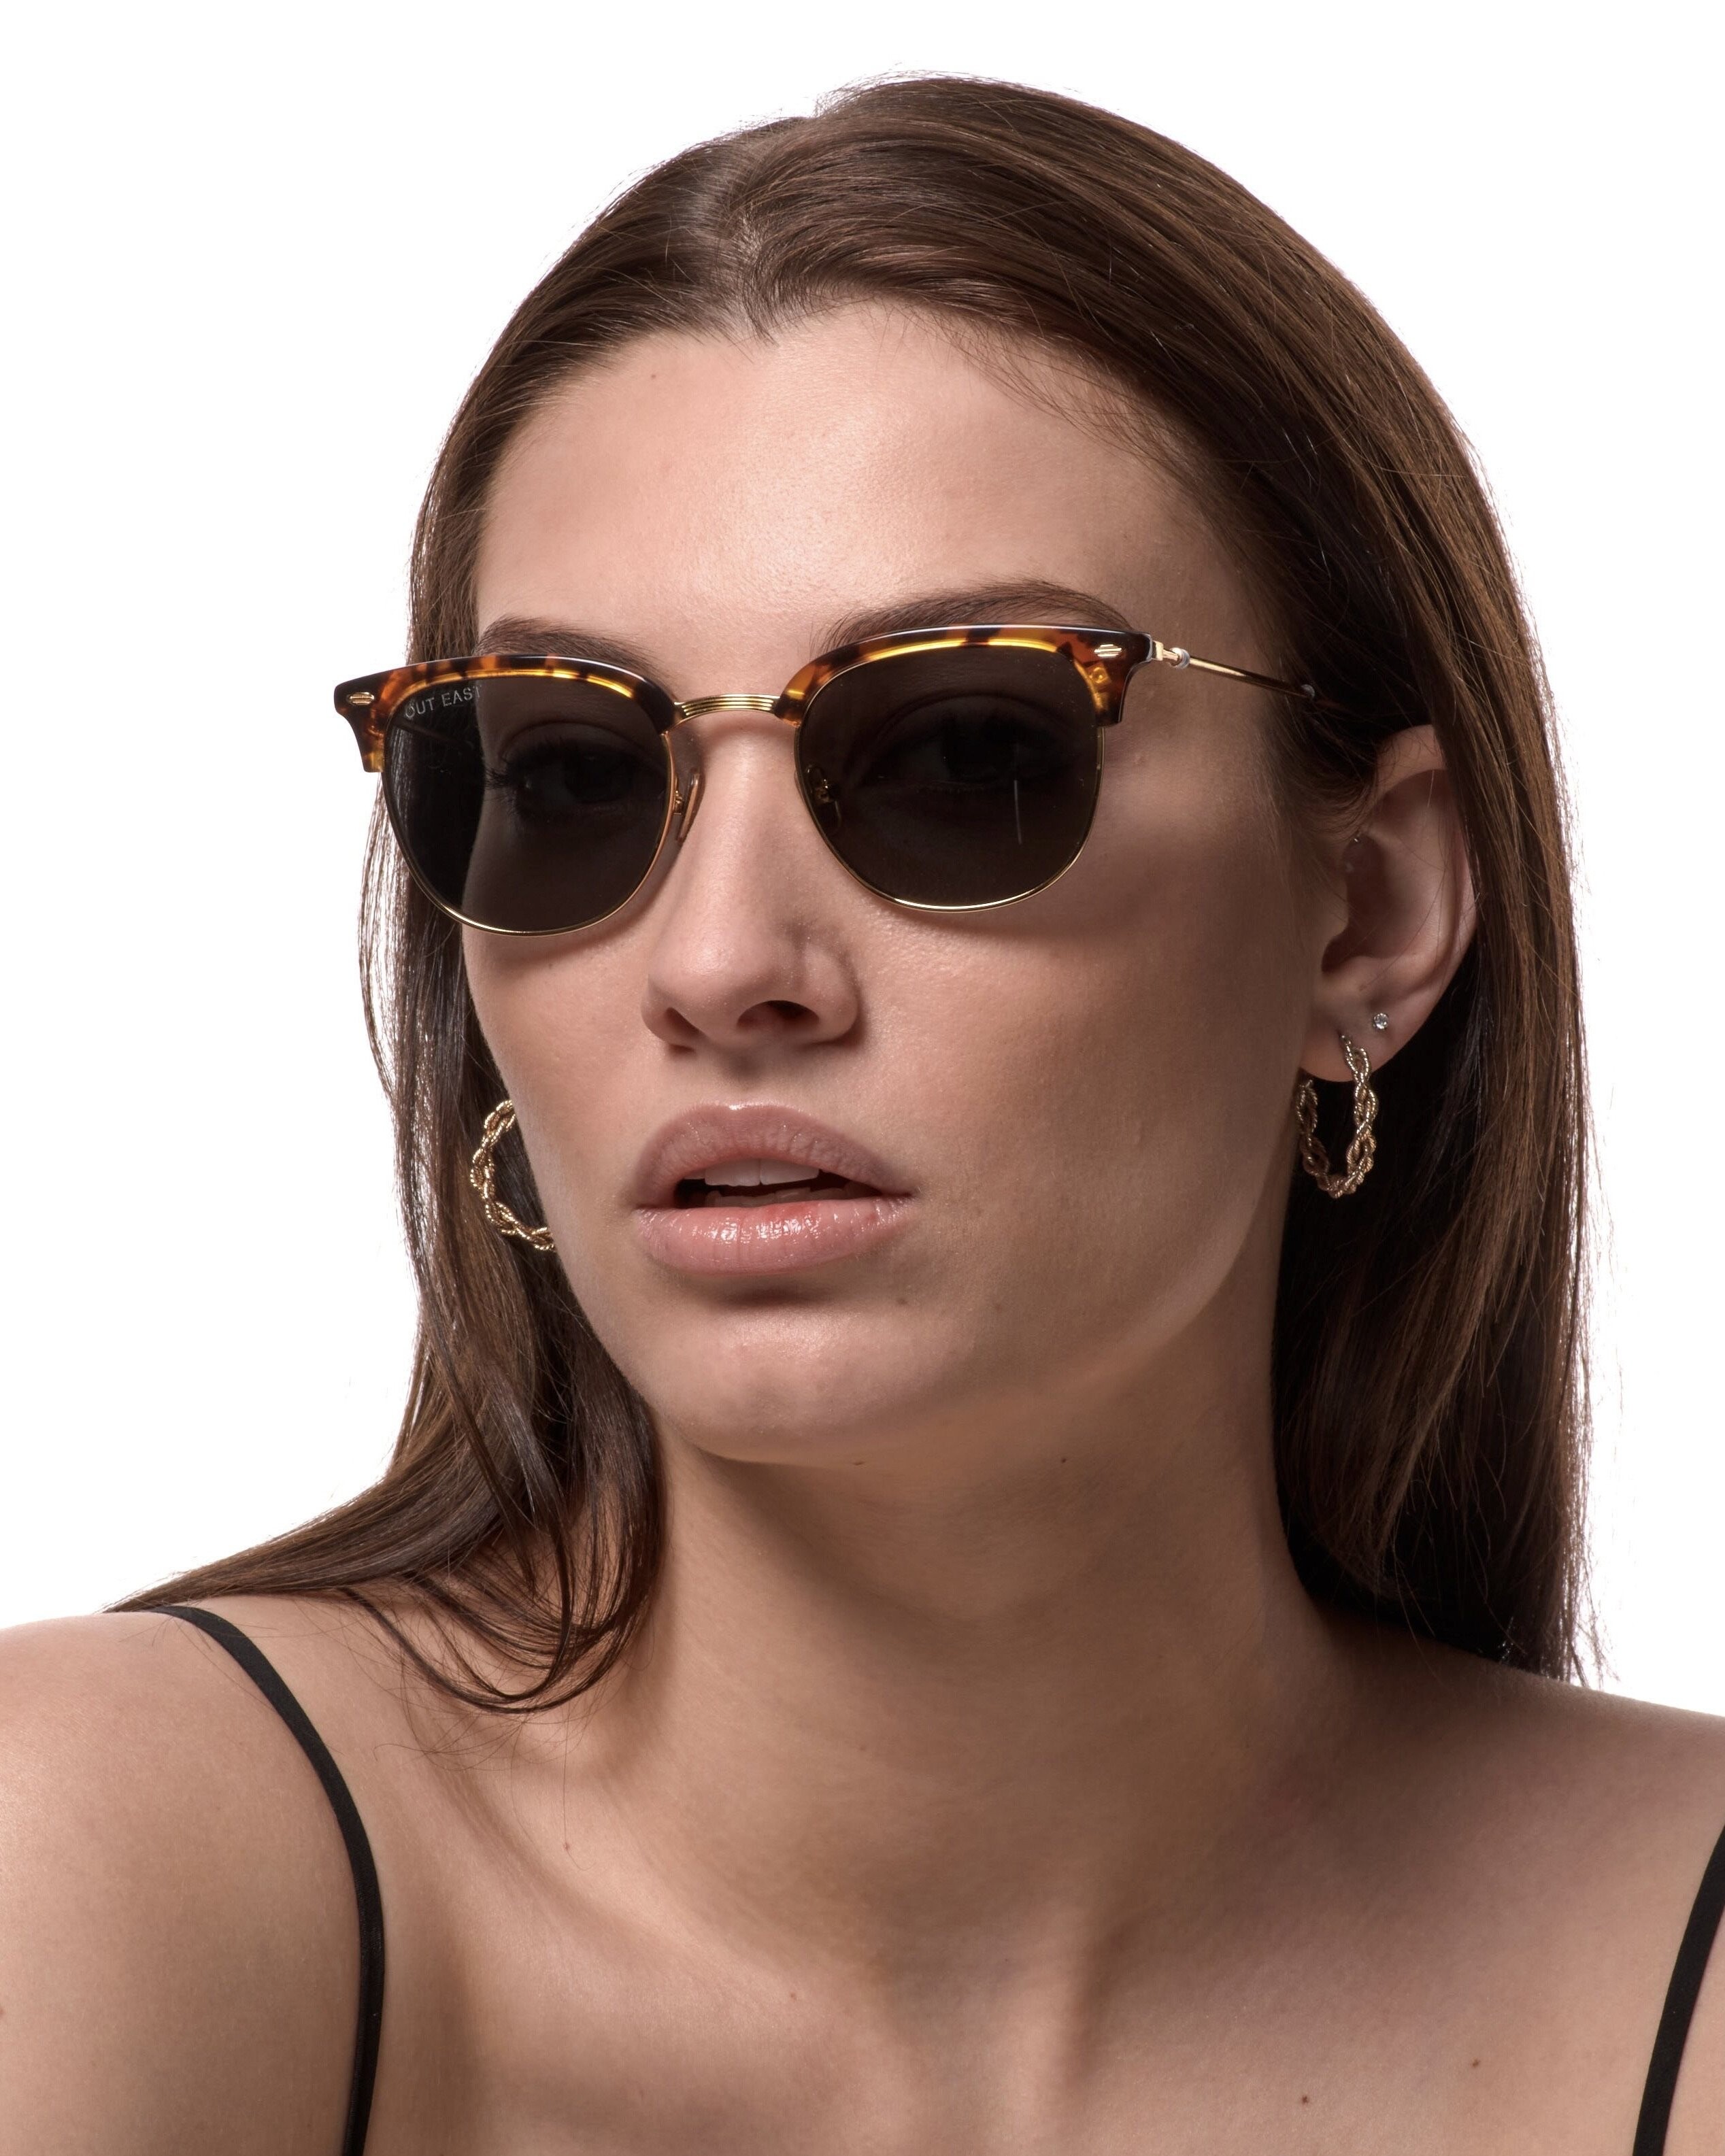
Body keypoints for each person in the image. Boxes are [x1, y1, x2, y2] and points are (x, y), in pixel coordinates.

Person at [3, 75, 1720, 2155]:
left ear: (1367, 908)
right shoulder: (96, 1878)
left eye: (964, 752)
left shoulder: (1683, 1975)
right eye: (569, 773)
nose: (721, 960)